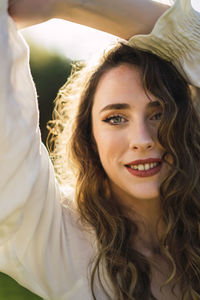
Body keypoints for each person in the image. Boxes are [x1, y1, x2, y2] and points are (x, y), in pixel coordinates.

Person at [0, 0, 200, 299]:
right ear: (89, 139)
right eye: (115, 118)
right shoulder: (61, 240)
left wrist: (61, 4)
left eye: (158, 114)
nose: (142, 139)